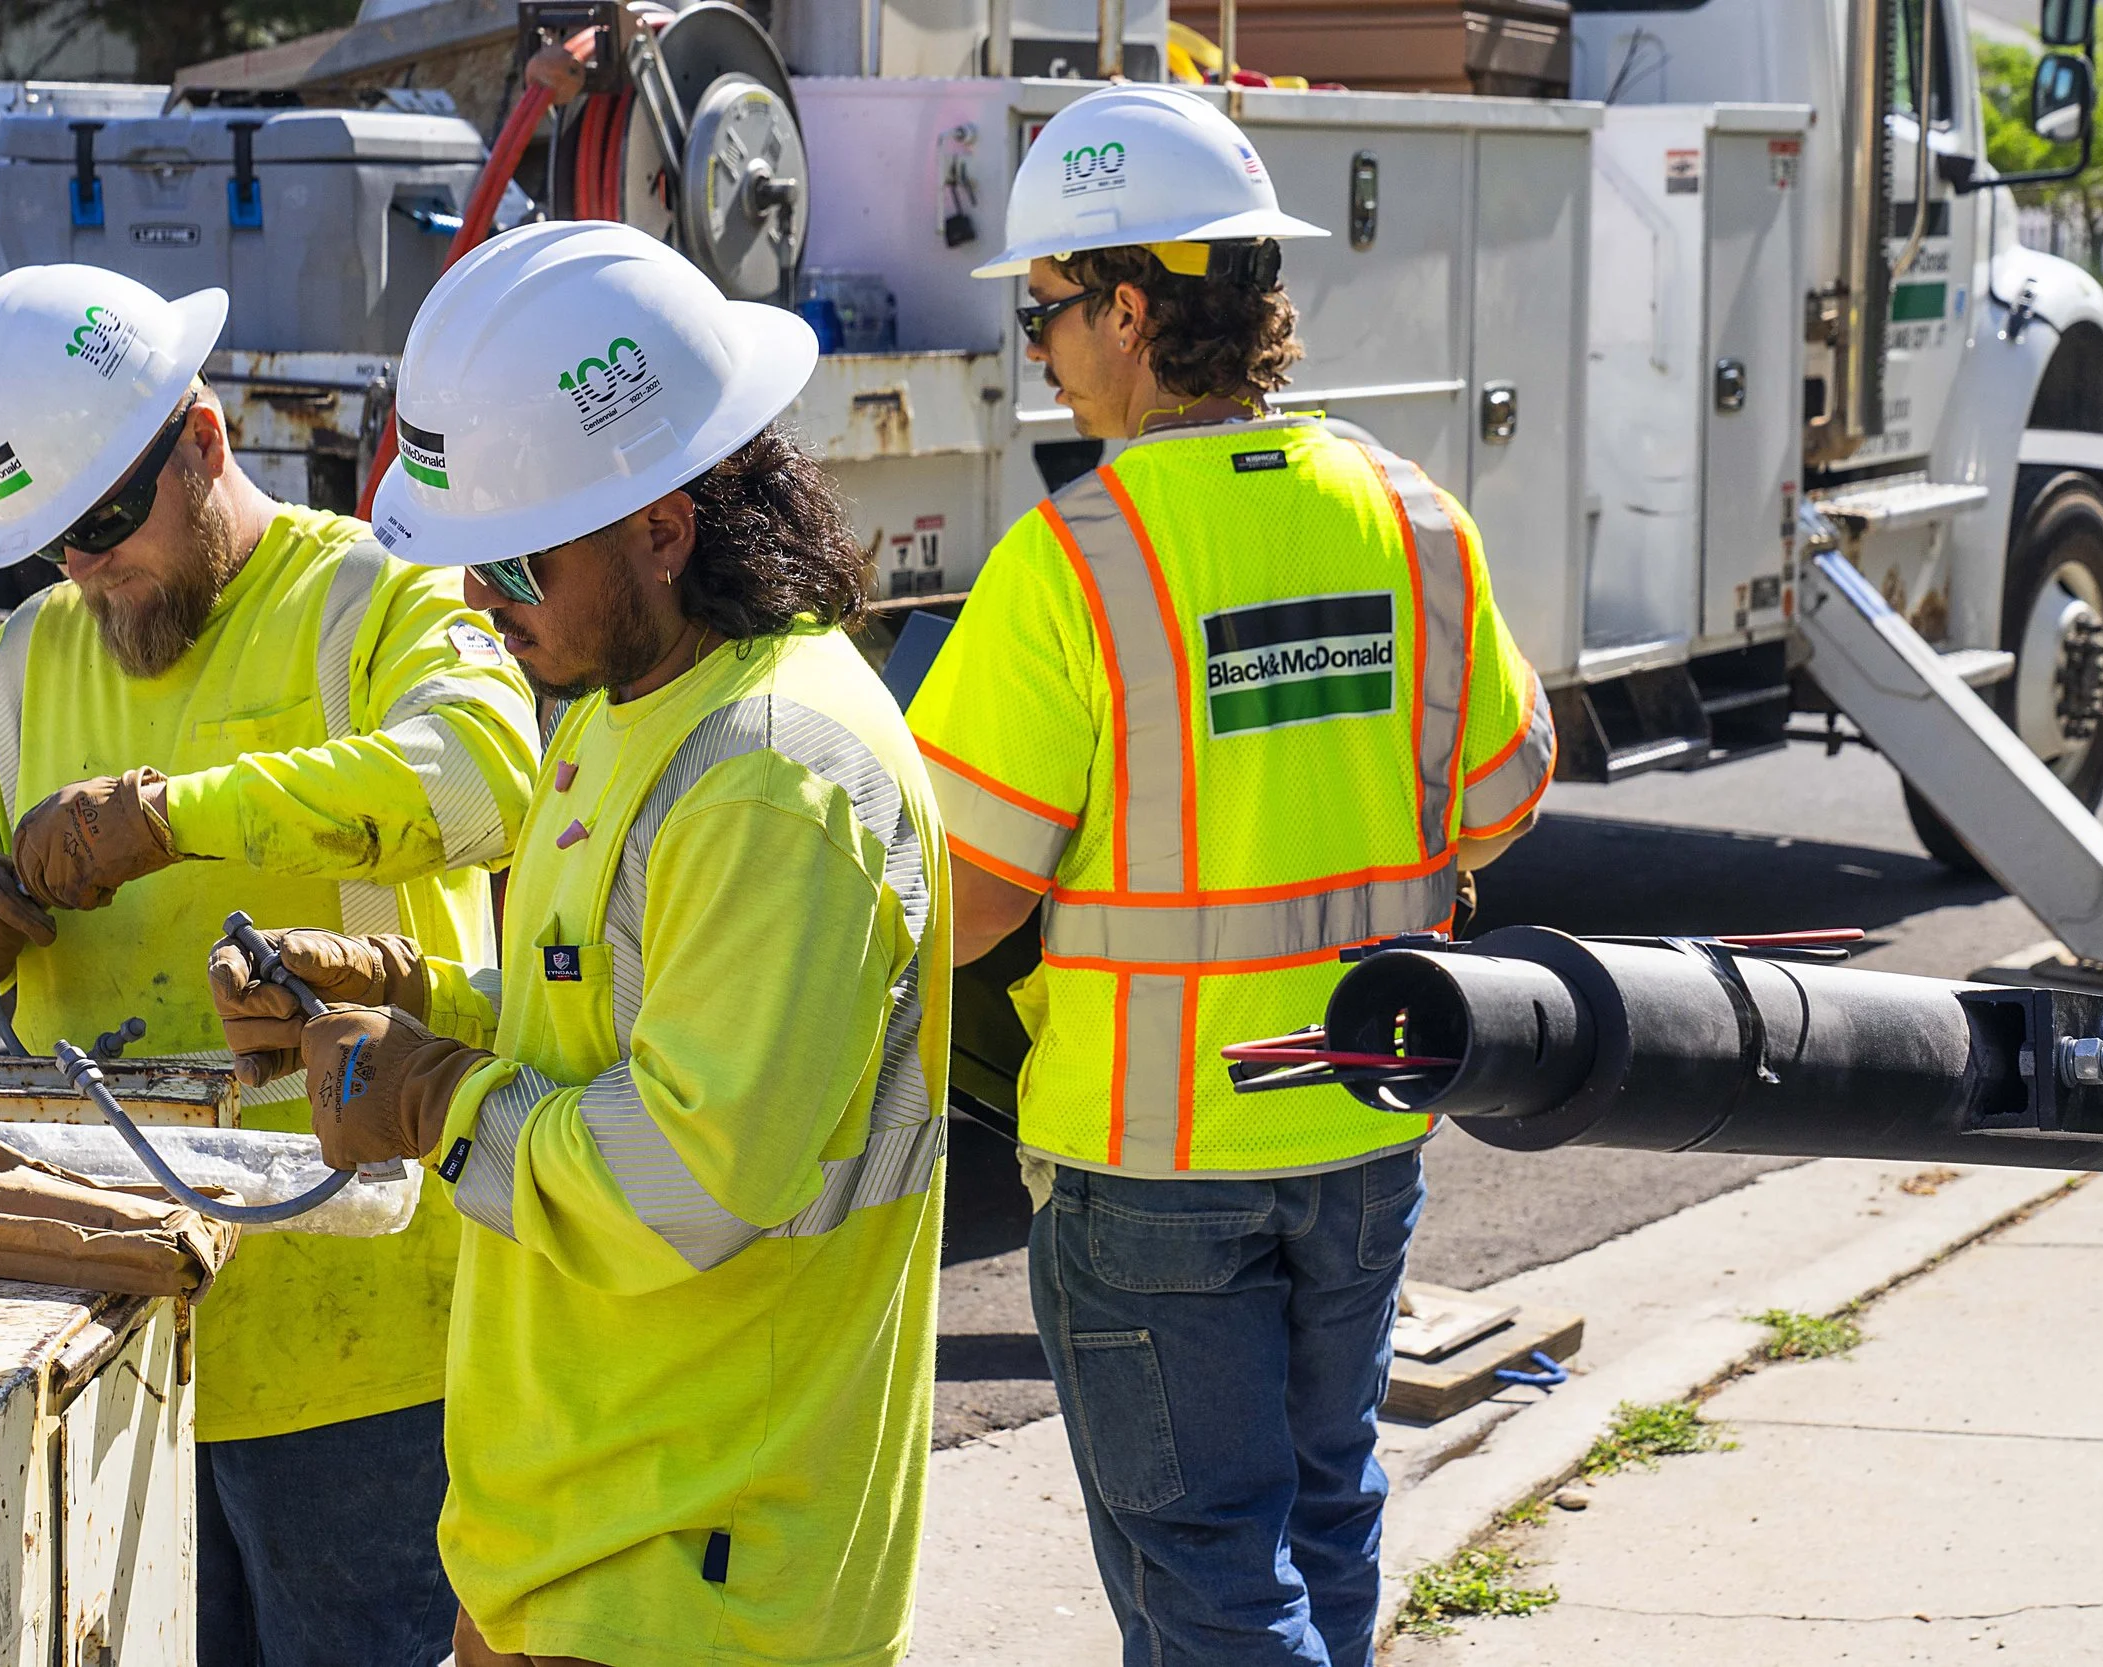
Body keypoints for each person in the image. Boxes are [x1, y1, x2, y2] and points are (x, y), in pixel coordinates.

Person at [206, 221, 950, 1667]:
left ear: (665, 526)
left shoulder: (778, 773)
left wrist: (429, 1097)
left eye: (517, 562)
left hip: (698, 1570)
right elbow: (608, 1013)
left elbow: (688, 1170)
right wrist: (410, 987)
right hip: (586, 1533)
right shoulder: (631, 700)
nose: (483, 600)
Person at [907, 84, 1555, 1666]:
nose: (1041, 351)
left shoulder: (1077, 557)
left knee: (1208, 1571)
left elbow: (968, 897)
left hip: (1151, 1159)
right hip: (1366, 1116)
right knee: (1323, 1511)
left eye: (1049, 312)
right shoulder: (1412, 519)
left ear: (1130, 309)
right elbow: (1506, 796)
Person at [0, 265, 541, 1667]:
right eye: (50, 541)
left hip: (365, 1356)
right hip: (116, 1332)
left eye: (108, 521)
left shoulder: (368, 597)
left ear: (203, 440)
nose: (84, 567)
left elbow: (494, 770)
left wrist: (173, 816)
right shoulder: (26, 661)